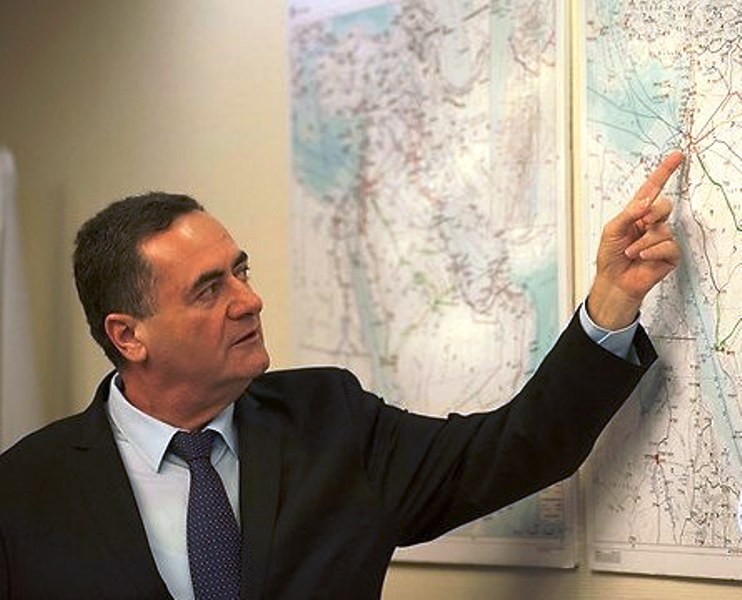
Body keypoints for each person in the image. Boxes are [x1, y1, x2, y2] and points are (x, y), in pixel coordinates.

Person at [0, 152, 684, 599]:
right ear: (128, 335)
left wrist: (611, 302)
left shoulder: (331, 421)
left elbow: (517, 449)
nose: (249, 300)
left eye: (241, 271)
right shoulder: (25, 490)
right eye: (209, 290)